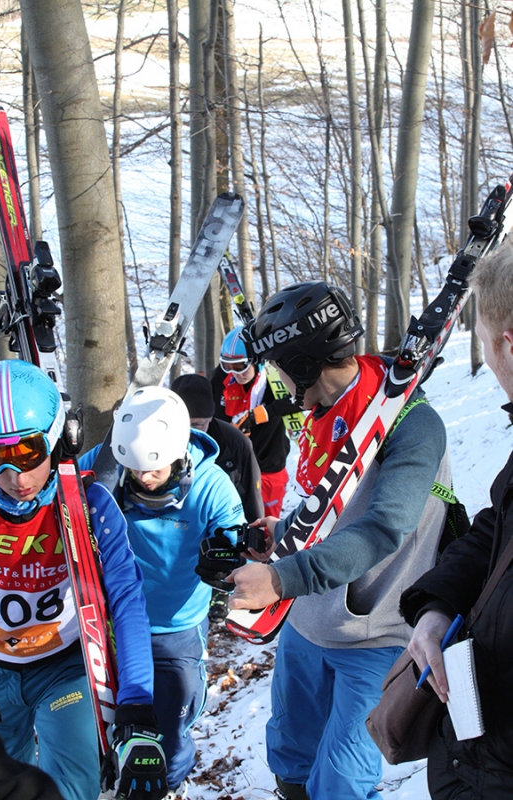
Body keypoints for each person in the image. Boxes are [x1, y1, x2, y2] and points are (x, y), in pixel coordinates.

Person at [226, 281, 452, 800]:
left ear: (303, 362)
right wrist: (278, 537)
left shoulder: (412, 424)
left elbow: (381, 529)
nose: (276, 382)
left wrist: (282, 577)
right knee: (291, 764)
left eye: (280, 368)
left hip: (379, 638)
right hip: (306, 622)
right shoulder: (323, 416)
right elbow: (328, 506)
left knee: (342, 786)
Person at [0, 360, 166, 800]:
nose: (16, 479)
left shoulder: (91, 505)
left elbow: (126, 603)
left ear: (63, 439)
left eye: (29, 453)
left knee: (71, 790)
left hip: (62, 669)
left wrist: (137, 705)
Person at [80, 386, 246, 799]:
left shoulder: (211, 485)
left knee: (171, 723)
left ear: (179, 451)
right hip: (107, 623)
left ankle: (170, 785)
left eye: (152, 469)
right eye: (133, 469)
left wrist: (224, 556)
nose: (141, 478)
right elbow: (66, 492)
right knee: (103, 719)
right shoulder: (107, 466)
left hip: (176, 626)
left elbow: (233, 535)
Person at [399, 239, 513, 799]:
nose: (488, 363)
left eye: (487, 345)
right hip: (473, 757)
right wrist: (438, 603)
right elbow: (501, 524)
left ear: (509, 346)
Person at [211, 328, 297, 518]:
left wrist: (264, 412)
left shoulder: (275, 376)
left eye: (240, 366)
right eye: (227, 365)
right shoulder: (223, 377)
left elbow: (302, 396)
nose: (234, 373)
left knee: (265, 523)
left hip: (268, 462)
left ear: (256, 361)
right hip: (232, 464)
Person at [171, 373, 264, 523]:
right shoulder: (159, 438)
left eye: (197, 425)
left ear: (211, 417)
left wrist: (255, 533)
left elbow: (251, 496)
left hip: (220, 520)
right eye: (182, 423)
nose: (189, 432)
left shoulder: (235, 442)